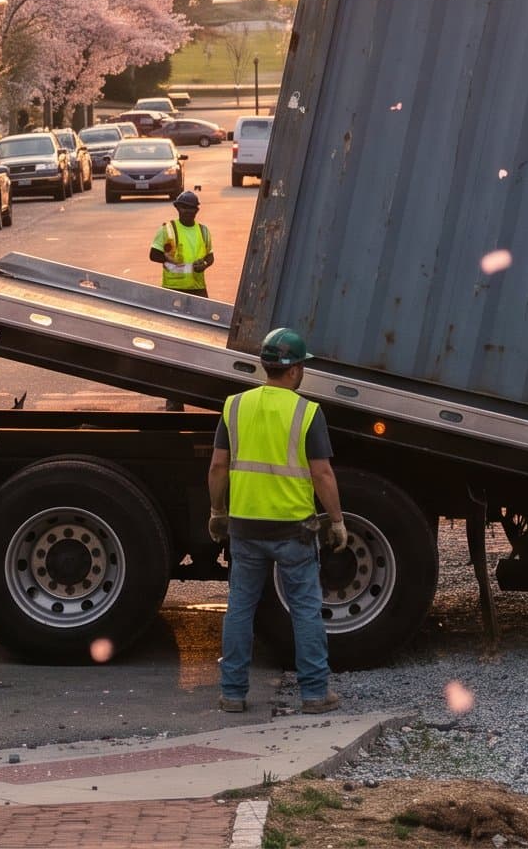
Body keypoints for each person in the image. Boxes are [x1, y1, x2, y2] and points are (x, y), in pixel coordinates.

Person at [207, 326, 344, 715]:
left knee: (240, 608)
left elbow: (218, 466)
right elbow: (322, 474)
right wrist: (336, 521)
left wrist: (218, 513)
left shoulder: (234, 406)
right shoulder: (306, 412)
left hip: (245, 528)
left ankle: (233, 694)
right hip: (293, 530)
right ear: (296, 370)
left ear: (265, 366)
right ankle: (315, 694)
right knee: (304, 609)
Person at [150, 189, 214, 295]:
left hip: (197, 287)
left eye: (191, 208)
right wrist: (168, 258)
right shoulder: (167, 229)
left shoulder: (204, 231)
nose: (188, 211)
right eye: (184, 207)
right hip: (172, 288)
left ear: (196, 210)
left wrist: (205, 264)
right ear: (178, 208)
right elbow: (153, 255)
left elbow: (210, 256)